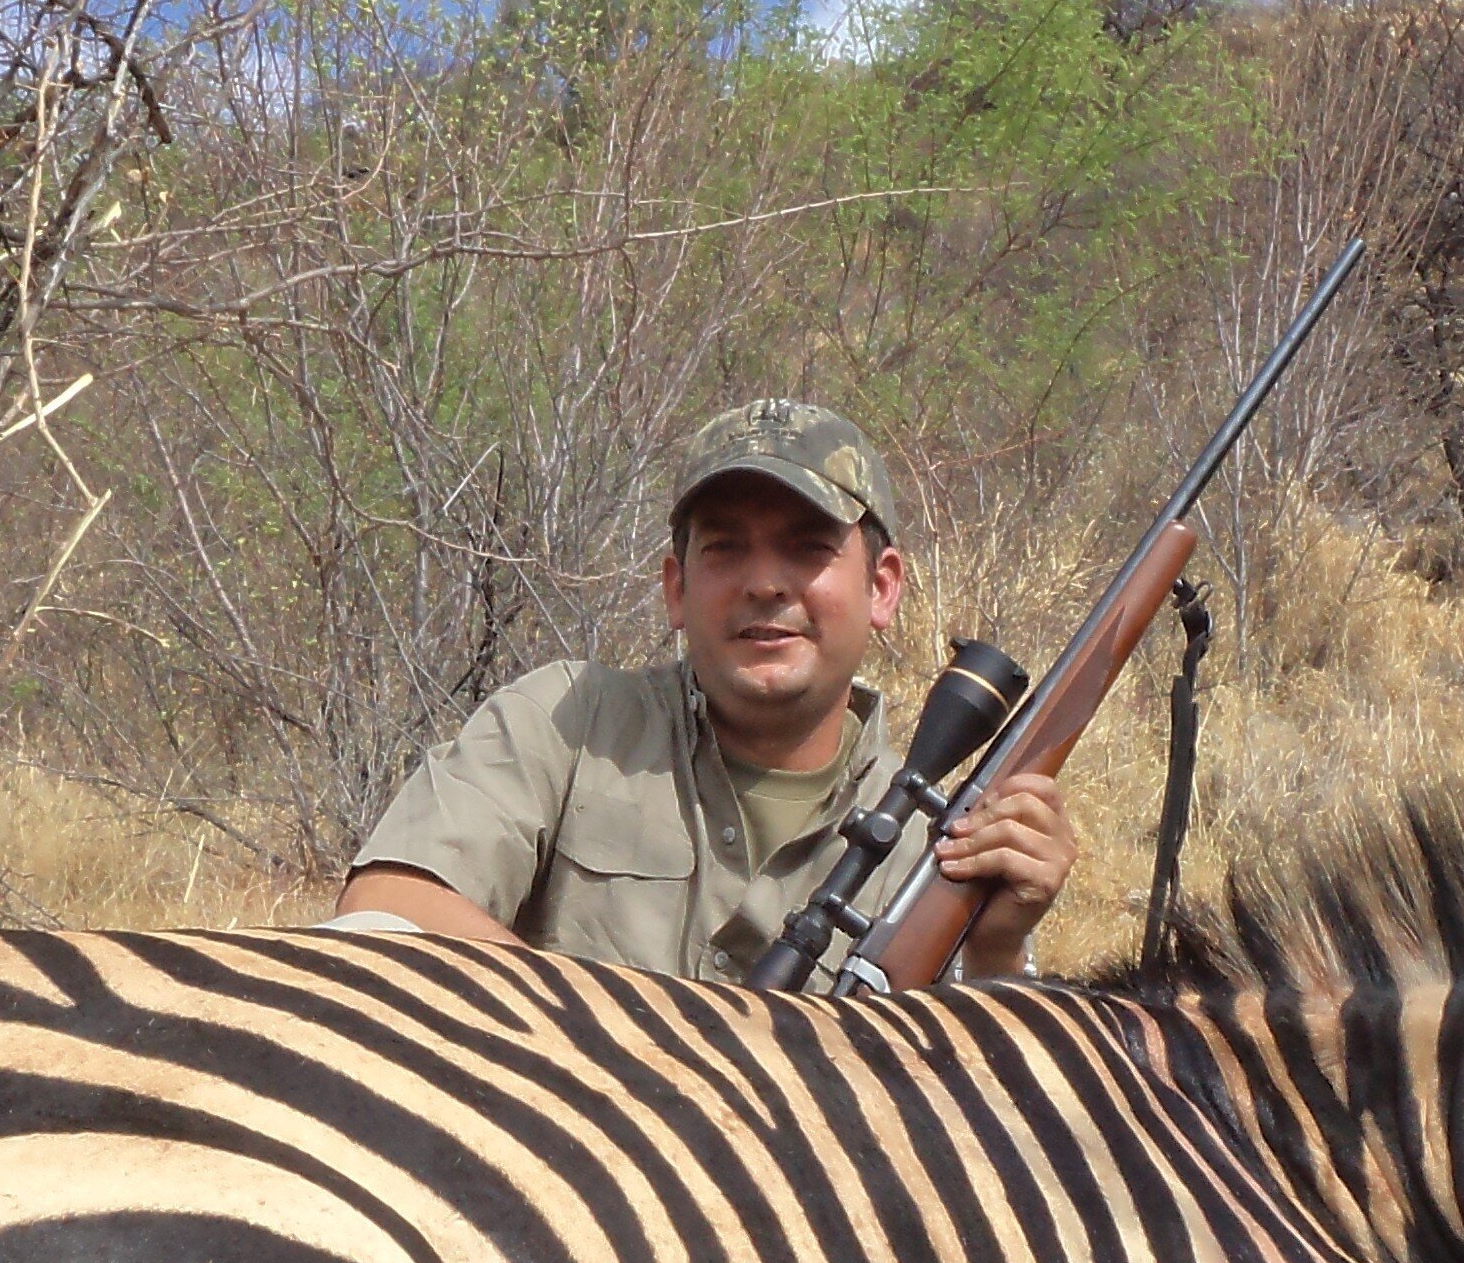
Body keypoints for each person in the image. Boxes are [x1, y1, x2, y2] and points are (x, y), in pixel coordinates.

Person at [333, 398, 1077, 983]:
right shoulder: (565, 722)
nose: (762, 583)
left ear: (881, 590)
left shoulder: (938, 845)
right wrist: (644, 1043)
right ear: (677, 588)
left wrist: (999, 948)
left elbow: (975, 1103)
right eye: (725, 549)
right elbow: (387, 907)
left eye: (808, 548)